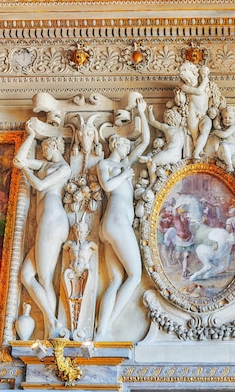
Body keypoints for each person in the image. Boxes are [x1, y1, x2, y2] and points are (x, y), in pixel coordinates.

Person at [96, 96, 149, 340]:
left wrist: (142, 112)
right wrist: (125, 174)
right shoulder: (106, 164)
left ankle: (101, 330)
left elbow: (145, 141)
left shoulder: (125, 163)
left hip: (112, 226)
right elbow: (107, 187)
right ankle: (107, 326)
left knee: (116, 278)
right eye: (125, 146)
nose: (128, 148)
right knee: (135, 275)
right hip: (115, 222)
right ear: (115, 144)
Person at [13, 121, 72, 338]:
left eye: (46, 147)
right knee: (26, 275)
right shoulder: (45, 165)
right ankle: (52, 320)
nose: (43, 151)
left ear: (56, 146)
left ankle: (52, 326)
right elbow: (18, 159)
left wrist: (26, 169)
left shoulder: (63, 168)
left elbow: (38, 185)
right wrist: (31, 135)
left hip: (53, 221)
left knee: (45, 278)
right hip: (44, 222)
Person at [176, 62, 214, 158]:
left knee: (206, 129)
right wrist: (206, 79)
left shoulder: (202, 80)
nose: (182, 73)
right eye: (181, 73)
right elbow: (198, 91)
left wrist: (204, 75)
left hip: (204, 114)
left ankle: (198, 151)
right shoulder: (184, 86)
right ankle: (197, 152)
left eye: (185, 71)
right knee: (195, 137)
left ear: (193, 72)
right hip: (192, 113)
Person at [139, 105, 185, 184]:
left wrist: (150, 111)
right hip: (178, 157)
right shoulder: (182, 131)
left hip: (170, 153)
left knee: (152, 162)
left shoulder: (167, 128)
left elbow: (152, 121)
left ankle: (152, 183)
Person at [209, 105, 235, 191]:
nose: (227, 120)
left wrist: (215, 132)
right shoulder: (223, 128)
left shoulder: (234, 127)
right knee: (224, 145)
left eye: (230, 118)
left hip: (233, 154)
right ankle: (229, 165)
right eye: (225, 118)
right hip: (223, 154)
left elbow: (224, 135)